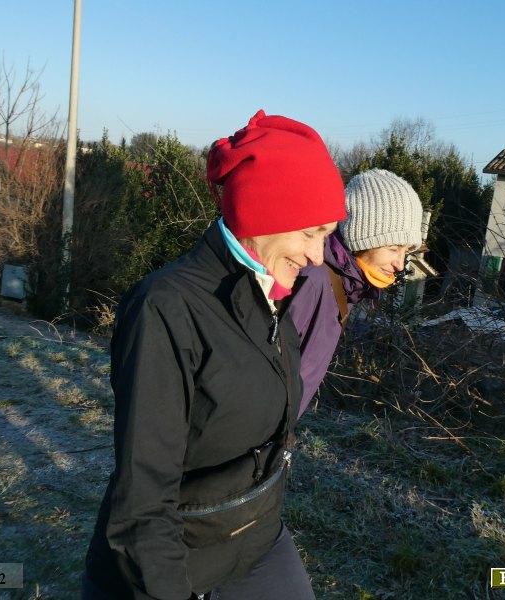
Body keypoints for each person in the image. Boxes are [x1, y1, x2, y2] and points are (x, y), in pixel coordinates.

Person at [83, 109, 346, 599]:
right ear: (265, 213)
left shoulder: (271, 294)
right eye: (310, 233)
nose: (317, 256)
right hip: (180, 562)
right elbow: (143, 500)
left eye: (327, 236)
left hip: (257, 539)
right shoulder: (165, 310)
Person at [289, 169, 424, 418]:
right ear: (361, 237)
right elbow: (262, 370)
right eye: (393, 248)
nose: (400, 263)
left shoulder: (344, 285)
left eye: (406, 251)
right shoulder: (315, 280)